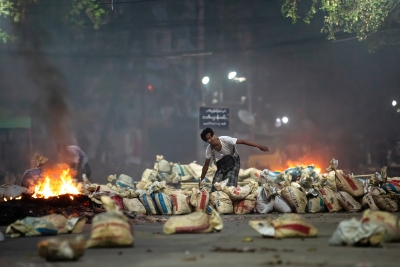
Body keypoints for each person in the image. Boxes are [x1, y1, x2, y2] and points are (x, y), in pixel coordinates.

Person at [199, 128, 269, 191]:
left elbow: (242, 142)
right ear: (206, 141)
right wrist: (201, 179)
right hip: (225, 162)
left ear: (213, 135)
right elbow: (206, 164)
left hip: (234, 159)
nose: (211, 140)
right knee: (215, 184)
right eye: (208, 139)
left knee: (230, 186)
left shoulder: (225, 139)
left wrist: (259, 146)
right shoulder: (209, 149)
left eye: (211, 137)